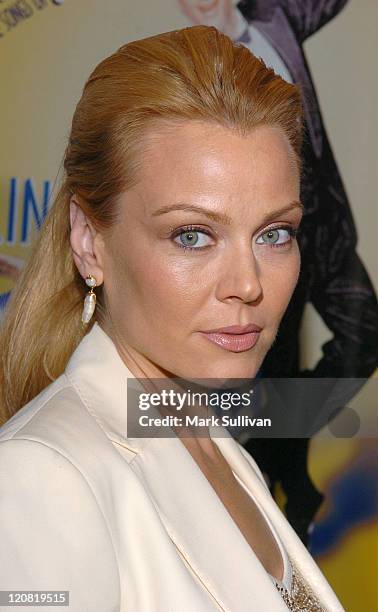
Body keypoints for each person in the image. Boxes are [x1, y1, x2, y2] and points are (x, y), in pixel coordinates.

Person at [0, 25, 345, 611]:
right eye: (192, 235)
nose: (248, 284)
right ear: (88, 241)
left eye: (274, 233)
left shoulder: (217, 445)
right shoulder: (40, 478)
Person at [177, 0, 378, 546]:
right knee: (265, 371)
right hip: (260, 253)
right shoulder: (187, 72)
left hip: (328, 233)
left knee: (363, 340)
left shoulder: (277, 18)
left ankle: (277, 449)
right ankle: (281, 496)